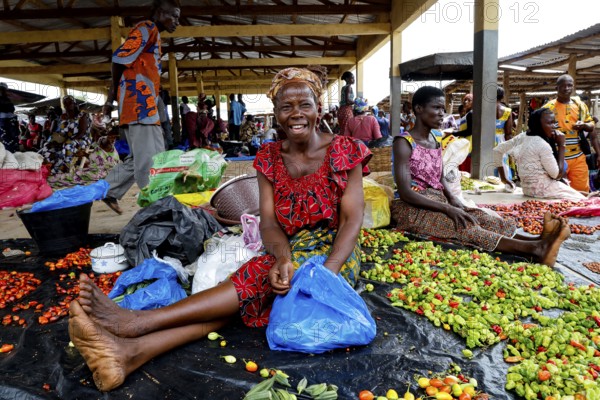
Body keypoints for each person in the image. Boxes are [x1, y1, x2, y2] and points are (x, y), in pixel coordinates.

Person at [68, 66, 371, 392]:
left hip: (336, 253)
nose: (296, 114)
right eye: (286, 107)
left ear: (319, 109)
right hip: (289, 246)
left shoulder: (344, 150)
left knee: (260, 280)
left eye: (305, 105)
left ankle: (138, 323)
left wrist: (326, 275)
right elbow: (269, 223)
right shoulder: (269, 157)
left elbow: (352, 220)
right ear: (276, 114)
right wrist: (283, 258)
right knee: (257, 292)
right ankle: (128, 353)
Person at [391, 86, 570, 268]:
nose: (441, 114)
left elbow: (439, 176)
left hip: (438, 201)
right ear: (419, 109)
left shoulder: (435, 140)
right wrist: (447, 209)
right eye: (436, 108)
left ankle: (536, 240)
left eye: (443, 109)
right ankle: (535, 250)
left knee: (479, 217)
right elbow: (405, 192)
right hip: (411, 208)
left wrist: (453, 200)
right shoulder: (404, 143)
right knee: (464, 227)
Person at [100, 0, 180, 214]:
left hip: (137, 107)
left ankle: (108, 189)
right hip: (141, 107)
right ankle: (155, 210)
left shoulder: (152, 33)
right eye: (174, 16)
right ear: (160, 12)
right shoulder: (147, 28)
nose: (177, 22)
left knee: (137, 159)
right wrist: (109, 101)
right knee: (152, 161)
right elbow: (118, 59)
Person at [494, 108, 585, 202]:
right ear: (538, 125)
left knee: (581, 194)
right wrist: (562, 145)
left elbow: (497, 150)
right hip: (545, 192)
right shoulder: (542, 145)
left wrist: (504, 179)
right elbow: (556, 175)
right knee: (584, 201)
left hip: (528, 191)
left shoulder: (523, 136)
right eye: (549, 123)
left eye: (554, 122)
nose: (554, 126)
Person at [542, 74, 598, 193]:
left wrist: (584, 125)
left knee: (581, 192)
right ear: (556, 88)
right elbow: (539, 131)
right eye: (563, 86)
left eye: (569, 85)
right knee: (558, 192)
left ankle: (580, 212)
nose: (566, 88)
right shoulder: (548, 108)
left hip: (578, 157)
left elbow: (591, 126)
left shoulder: (580, 106)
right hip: (555, 158)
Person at [495, 86, 514, 180]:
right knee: (502, 162)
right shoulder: (507, 111)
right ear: (502, 97)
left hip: (487, 139)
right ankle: (505, 181)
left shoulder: (485, 109)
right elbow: (508, 133)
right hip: (501, 141)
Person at [452, 93, 474, 172]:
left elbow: (470, 131)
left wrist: (454, 133)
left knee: (466, 169)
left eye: (469, 100)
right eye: (465, 100)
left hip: (468, 144)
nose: (466, 102)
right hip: (464, 144)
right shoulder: (467, 114)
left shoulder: (471, 114)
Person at [0, 82, 19, 153]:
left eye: (3, 89)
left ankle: (13, 153)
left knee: (13, 136)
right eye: (1, 89)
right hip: (3, 121)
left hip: (10, 121)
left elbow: (12, 109)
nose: (2, 91)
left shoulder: (8, 99)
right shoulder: (6, 100)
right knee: (6, 139)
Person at [338, 71, 355, 135]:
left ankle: (341, 143)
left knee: (343, 129)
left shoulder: (343, 87)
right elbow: (348, 101)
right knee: (347, 130)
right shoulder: (349, 87)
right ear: (347, 79)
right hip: (347, 110)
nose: (354, 80)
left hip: (341, 110)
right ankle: (345, 144)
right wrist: (356, 102)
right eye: (352, 78)